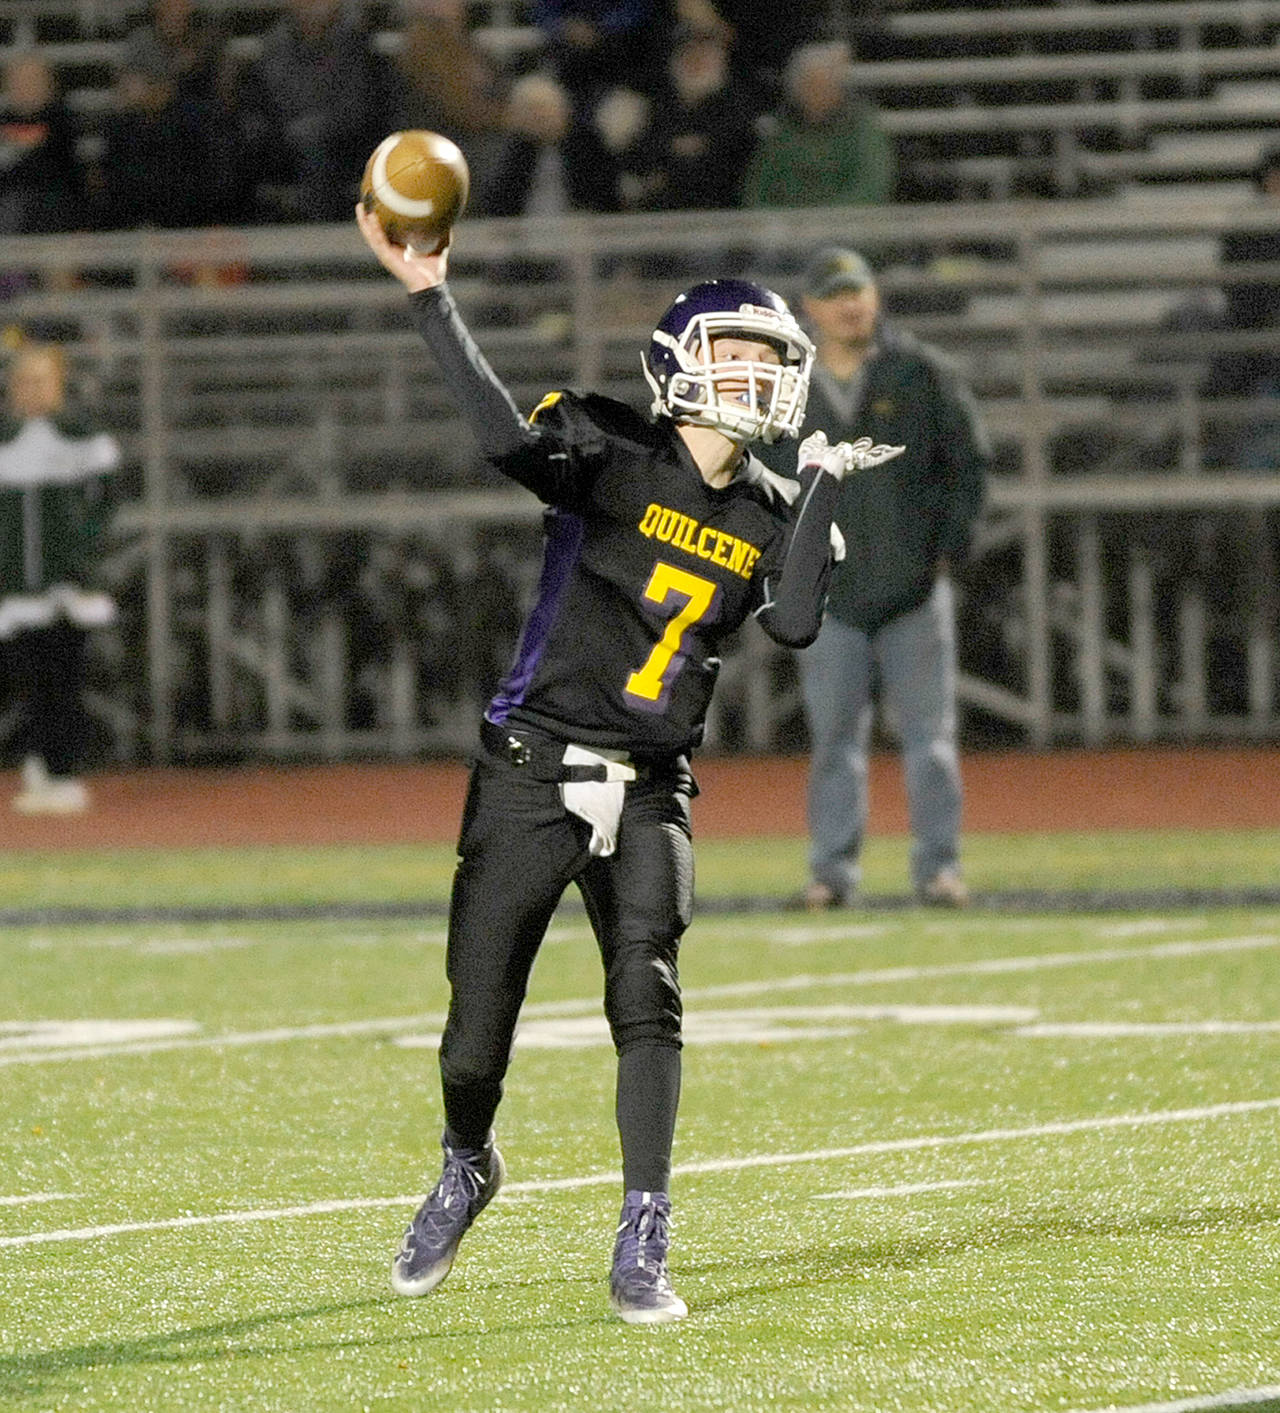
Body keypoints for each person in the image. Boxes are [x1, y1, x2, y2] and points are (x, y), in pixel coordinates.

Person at [355, 201, 893, 1322]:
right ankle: (467, 1160)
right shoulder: (607, 448)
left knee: (646, 993)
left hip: (651, 783)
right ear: (679, 362)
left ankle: (644, 1228)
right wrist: (430, 297)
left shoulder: (775, 508)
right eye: (736, 352)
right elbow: (503, 439)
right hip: (531, 766)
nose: (756, 374)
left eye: (770, 358)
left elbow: (795, 626)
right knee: (474, 1031)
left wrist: (824, 491)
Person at [756, 247, 989, 910]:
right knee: (834, 742)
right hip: (828, 595)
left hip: (913, 588)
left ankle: (939, 868)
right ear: (810, 307)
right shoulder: (789, 387)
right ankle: (832, 872)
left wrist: (947, 552)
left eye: (857, 291)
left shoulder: (921, 372)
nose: (850, 305)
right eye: (835, 295)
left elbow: (968, 465)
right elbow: (761, 480)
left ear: (876, 296)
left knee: (930, 741)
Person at [0, 342, 121, 814]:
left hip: (67, 585)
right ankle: (35, 762)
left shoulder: (82, 436)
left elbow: (106, 501)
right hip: (14, 587)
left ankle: (62, 769)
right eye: (23, 381)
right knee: (22, 678)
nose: (31, 390)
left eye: (41, 381)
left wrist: (80, 554)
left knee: (63, 678)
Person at [739, 40, 896, 210]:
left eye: (824, 87)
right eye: (809, 87)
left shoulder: (862, 126)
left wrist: (827, 216)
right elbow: (756, 190)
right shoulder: (781, 131)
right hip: (786, 221)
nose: (817, 95)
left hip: (845, 220)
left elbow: (871, 187)